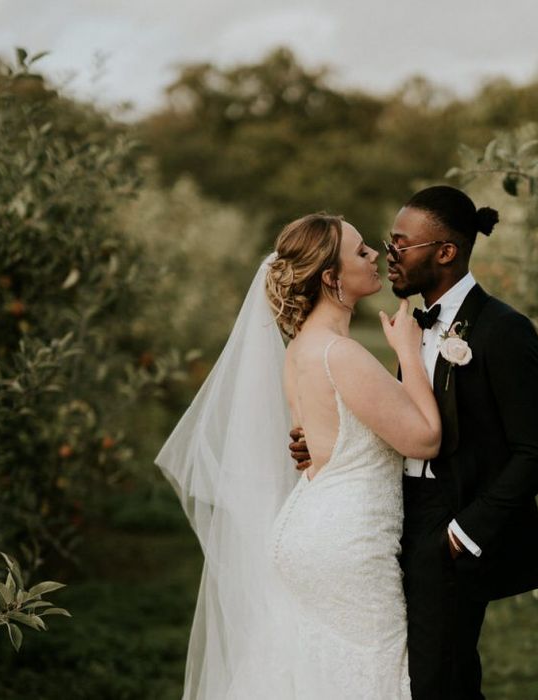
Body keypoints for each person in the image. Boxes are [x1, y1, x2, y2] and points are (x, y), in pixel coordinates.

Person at [290, 185, 538, 699]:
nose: (388, 254)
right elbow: (405, 421)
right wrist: (332, 443)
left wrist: (464, 532)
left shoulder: (504, 330)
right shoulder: (411, 326)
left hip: (451, 523)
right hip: (391, 518)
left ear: (445, 252)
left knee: (440, 680)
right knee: (403, 673)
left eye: (399, 244)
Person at [156, 213, 440, 699]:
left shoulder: (300, 350)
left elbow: (324, 436)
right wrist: (409, 352)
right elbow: (425, 439)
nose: (374, 255)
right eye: (360, 251)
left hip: (307, 528)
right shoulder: (340, 355)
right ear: (331, 277)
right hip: (348, 544)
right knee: (373, 674)